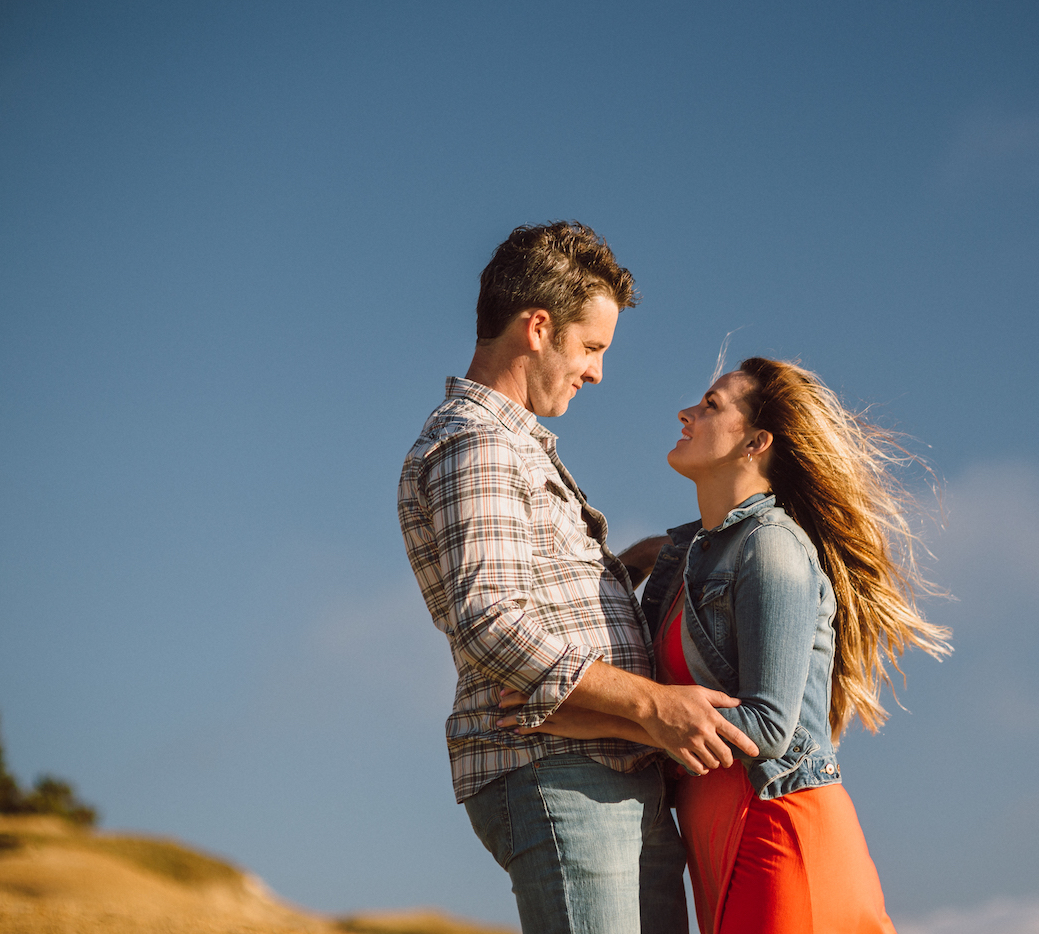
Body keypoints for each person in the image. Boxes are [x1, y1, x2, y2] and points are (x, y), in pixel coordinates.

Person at [502, 357, 952, 933]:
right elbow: (668, 559)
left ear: (756, 442)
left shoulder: (773, 548)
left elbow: (765, 730)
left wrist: (597, 719)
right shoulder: (693, 554)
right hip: (719, 840)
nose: (686, 413)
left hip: (779, 835)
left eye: (711, 406)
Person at [397, 222, 758, 934]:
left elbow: (517, 585)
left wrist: (625, 566)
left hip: (598, 773)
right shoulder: (477, 443)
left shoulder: (505, 445)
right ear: (537, 327)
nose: (596, 372)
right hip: (558, 772)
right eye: (591, 348)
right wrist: (654, 704)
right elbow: (490, 620)